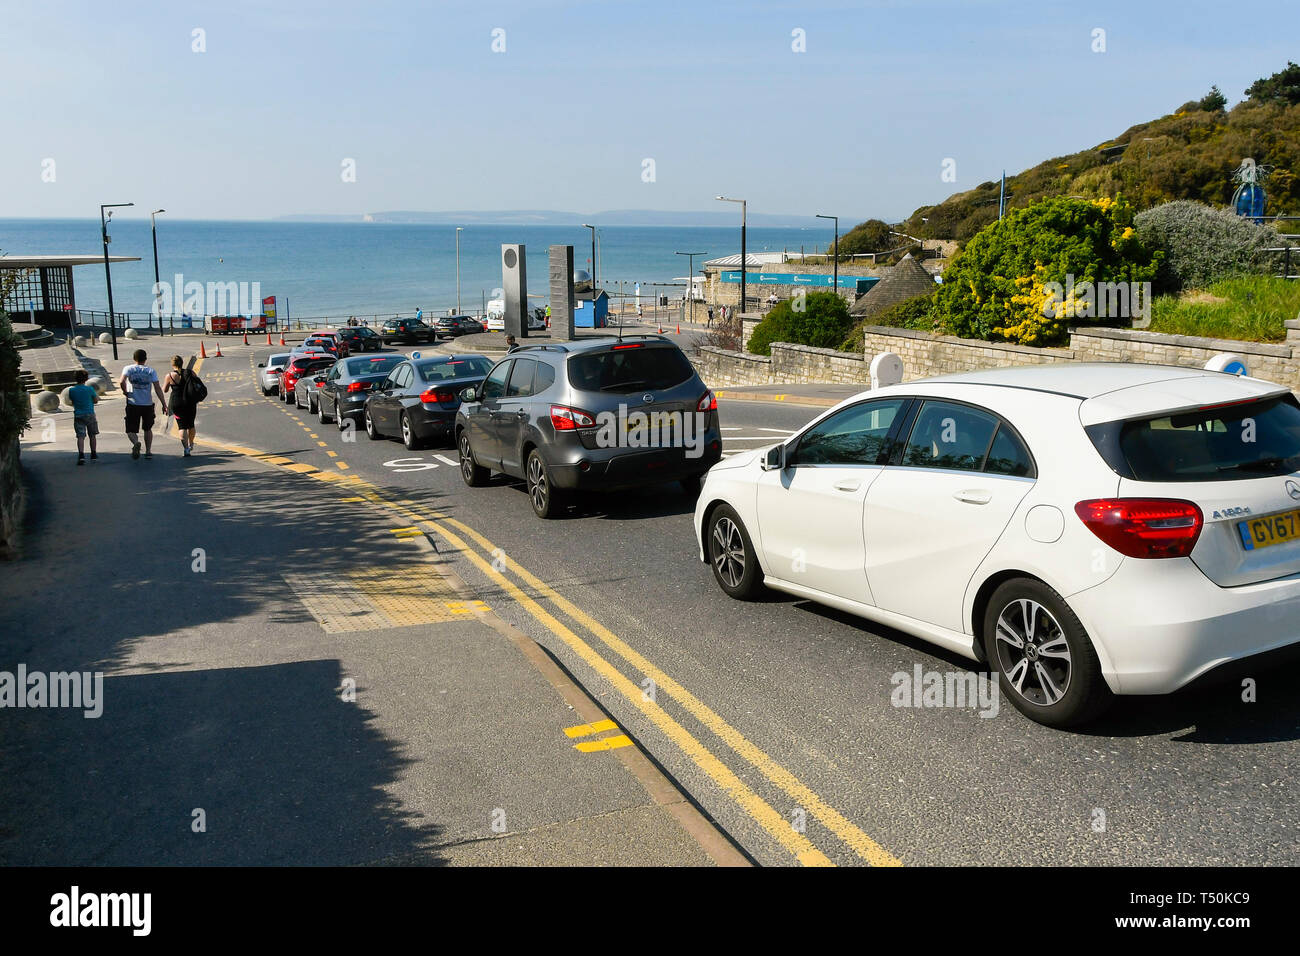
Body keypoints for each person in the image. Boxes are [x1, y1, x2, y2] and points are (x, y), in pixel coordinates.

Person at [119, 348, 166, 460]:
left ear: (134, 358)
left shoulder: (128, 368)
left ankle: (136, 442)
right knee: (147, 428)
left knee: (130, 429)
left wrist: (125, 392)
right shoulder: (151, 371)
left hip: (133, 403)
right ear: (145, 359)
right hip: (147, 404)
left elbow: (121, 381)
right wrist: (164, 404)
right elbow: (158, 388)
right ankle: (148, 451)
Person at [163, 355, 203, 456]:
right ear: (182, 363)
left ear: (172, 364)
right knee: (190, 424)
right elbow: (197, 383)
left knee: (182, 427)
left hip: (177, 403)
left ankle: (186, 449)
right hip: (190, 402)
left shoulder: (170, 376)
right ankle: (191, 443)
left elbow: (165, 390)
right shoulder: (190, 372)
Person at [68, 369, 99, 465]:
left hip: (78, 414)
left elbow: (72, 402)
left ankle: (81, 455)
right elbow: (95, 400)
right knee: (92, 435)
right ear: (86, 379)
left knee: (80, 436)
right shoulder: (90, 389)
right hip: (89, 413)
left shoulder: (72, 390)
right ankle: (93, 453)